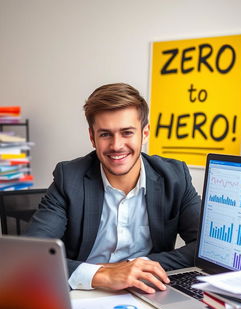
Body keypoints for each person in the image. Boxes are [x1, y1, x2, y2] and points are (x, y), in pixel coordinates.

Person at [26, 83, 201, 294]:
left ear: (145, 134)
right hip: (83, 292)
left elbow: (206, 247)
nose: (117, 145)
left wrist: (138, 267)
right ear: (92, 137)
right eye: (105, 134)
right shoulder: (69, 178)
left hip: (146, 292)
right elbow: (33, 255)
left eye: (127, 132)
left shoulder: (174, 176)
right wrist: (103, 274)